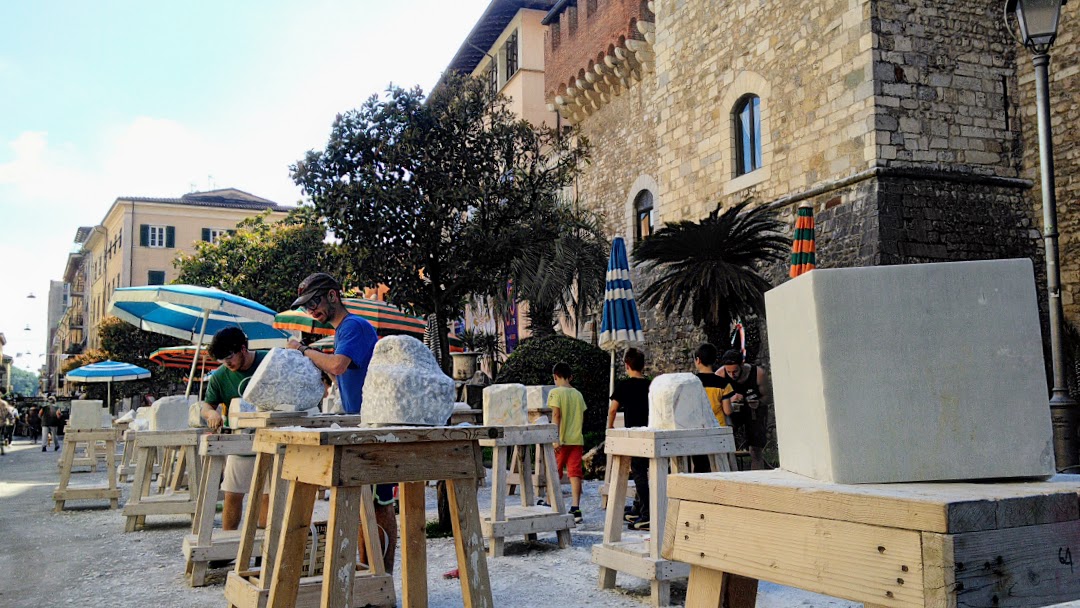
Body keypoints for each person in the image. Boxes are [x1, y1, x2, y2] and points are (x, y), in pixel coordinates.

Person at [287, 272, 396, 572]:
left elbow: (337, 365)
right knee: (365, 506)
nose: (311, 310)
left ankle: (382, 579)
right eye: (306, 306)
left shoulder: (352, 326)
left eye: (314, 303)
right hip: (362, 425)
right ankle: (371, 574)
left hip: (374, 427)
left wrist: (304, 350)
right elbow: (342, 375)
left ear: (333, 296)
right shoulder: (344, 331)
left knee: (379, 505)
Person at [199, 327, 270, 535]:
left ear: (243, 349)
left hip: (270, 437)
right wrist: (211, 414)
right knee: (232, 492)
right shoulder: (220, 376)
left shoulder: (268, 361)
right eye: (221, 360)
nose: (227, 363)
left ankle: (262, 543)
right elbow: (207, 405)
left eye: (229, 357)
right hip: (240, 440)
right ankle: (227, 539)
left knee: (267, 494)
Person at [608, 348, 652, 531]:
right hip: (649, 431)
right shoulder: (650, 384)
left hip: (633, 434)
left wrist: (610, 427)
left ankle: (647, 514)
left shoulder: (623, 385)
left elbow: (613, 409)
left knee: (639, 473)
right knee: (644, 471)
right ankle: (638, 507)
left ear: (627, 365)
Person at [716, 349, 772, 470]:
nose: (732, 375)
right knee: (724, 446)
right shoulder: (719, 375)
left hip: (753, 412)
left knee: (755, 450)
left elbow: (769, 397)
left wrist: (759, 402)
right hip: (732, 413)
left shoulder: (758, 374)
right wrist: (728, 399)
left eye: (735, 371)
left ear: (742, 365)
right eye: (729, 372)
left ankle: (758, 476)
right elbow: (713, 402)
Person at [549, 361, 587, 523]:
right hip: (576, 439)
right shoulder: (578, 394)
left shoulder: (555, 392)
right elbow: (581, 417)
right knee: (575, 472)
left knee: (554, 471)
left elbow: (556, 415)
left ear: (555, 376)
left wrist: (555, 438)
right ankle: (575, 507)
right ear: (570, 377)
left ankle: (550, 503)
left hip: (562, 440)